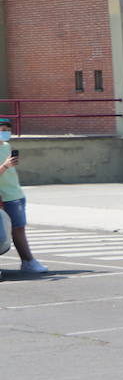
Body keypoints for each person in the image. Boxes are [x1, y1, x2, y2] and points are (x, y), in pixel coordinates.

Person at [0, 117, 48, 274]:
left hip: (16, 193)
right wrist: (5, 166)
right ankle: (28, 261)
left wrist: (9, 165)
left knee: (19, 228)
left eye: (7, 129)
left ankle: (27, 262)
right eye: (2, 129)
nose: (5, 132)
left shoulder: (7, 146)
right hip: (3, 197)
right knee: (11, 230)